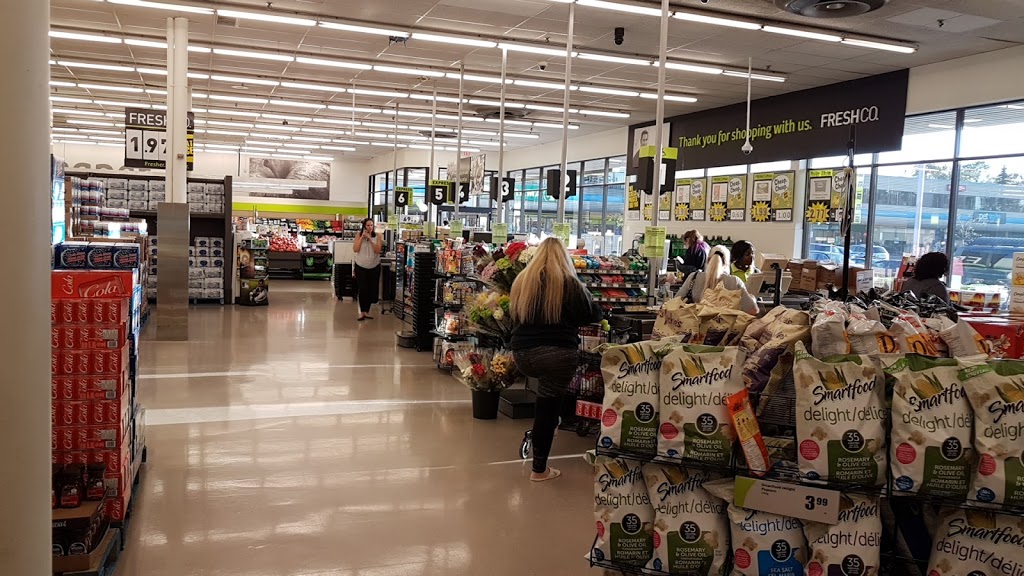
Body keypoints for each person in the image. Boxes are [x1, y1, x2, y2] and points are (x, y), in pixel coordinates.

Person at [510, 238, 603, 482]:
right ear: (564, 258)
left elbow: (514, 317)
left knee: (547, 403)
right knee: (547, 410)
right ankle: (539, 469)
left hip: (523, 354)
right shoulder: (568, 283)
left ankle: (552, 425)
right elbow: (591, 314)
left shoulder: (522, 281)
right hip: (557, 354)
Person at [676, 245, 758, 315]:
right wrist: (752, 299)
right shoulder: (734, 282)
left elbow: (675, 303)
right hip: (725, 327)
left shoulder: (694, 277)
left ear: (708, 260)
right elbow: (752, 311)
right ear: (727, 263)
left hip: (696, 326)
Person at [352, 218, 382, 321]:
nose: (370, 227)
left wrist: (370, 239)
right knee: (363, 288)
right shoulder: (358, 235)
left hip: (374, 266)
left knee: (371, 289)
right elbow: (355, 249)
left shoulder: (378, 236)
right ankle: (362, 312)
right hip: (360, 266)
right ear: (364, 226)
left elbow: (378, 250)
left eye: (371, 225)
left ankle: (367, 311)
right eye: (368, 225)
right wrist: (362, 238)